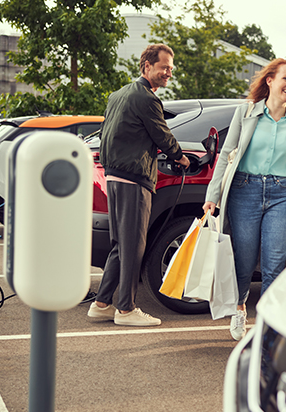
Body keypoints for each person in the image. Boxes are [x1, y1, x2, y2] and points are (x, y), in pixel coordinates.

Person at [202, 58, 286, 341]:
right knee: (245, 260)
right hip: (245, 191)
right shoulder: (246, 112)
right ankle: (239, 309)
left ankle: (265, 324)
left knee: (275, 262)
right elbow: (227, 155)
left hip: (282, 194)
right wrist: (212, 195)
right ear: (270, 80)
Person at [87, 44, 190, 326]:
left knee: (121, 245)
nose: (169, 72)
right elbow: (162, 134)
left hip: (113, 176)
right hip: (134, 179)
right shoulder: (146, 98)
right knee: (133, 246)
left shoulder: (118, 95)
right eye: (164, 67)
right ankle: (127, 309)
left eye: (171, 67)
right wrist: (181, 158)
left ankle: (102, 303)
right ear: (146, 66)